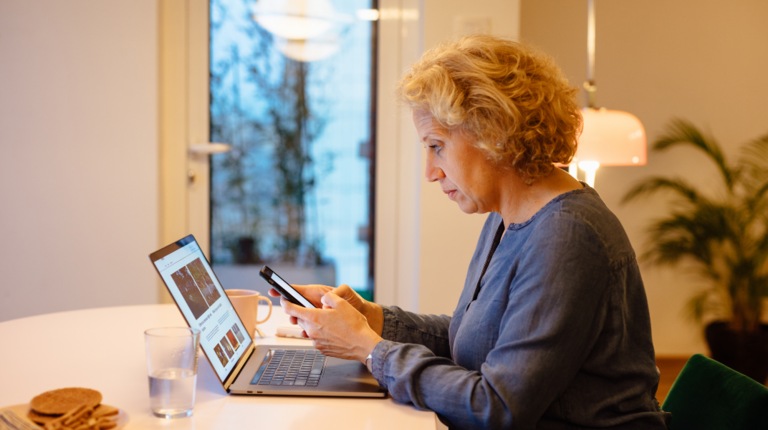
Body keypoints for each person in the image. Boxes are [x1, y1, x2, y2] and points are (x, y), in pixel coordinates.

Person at [269, 34, 670, 429]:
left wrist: (369, 350)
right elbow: (476, 340)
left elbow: (497, 408)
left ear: (493, 132)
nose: (430, 172)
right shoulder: (506, 214)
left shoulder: (567, 236)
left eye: (436, 146)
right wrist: (371, 319)